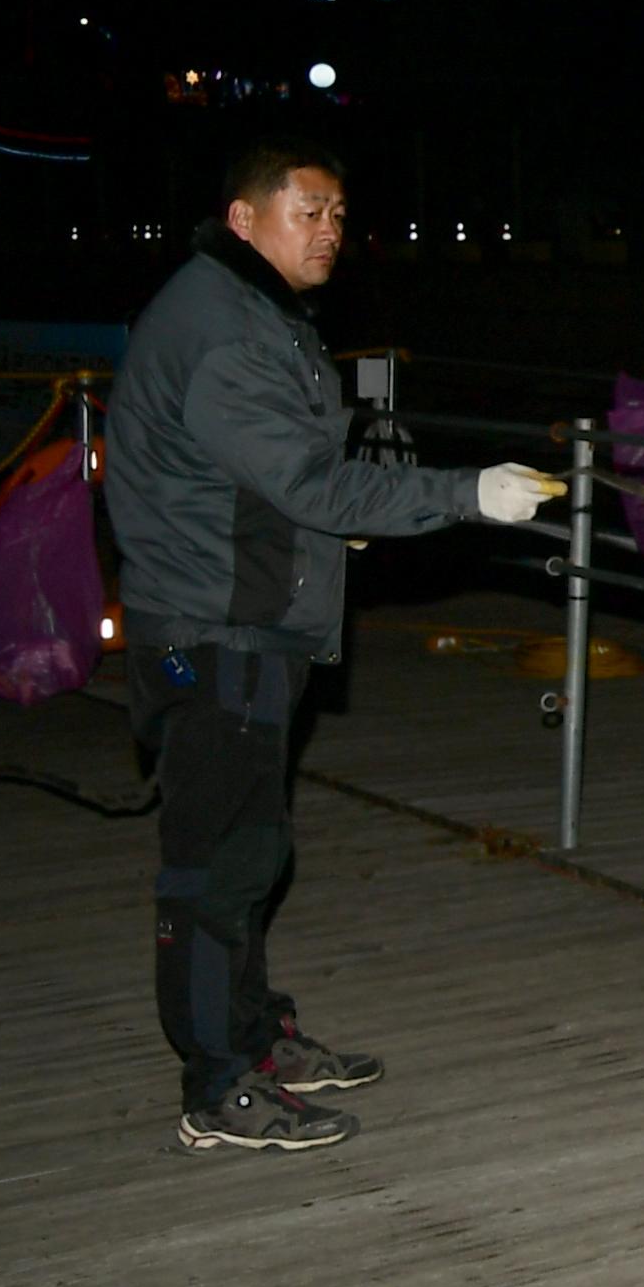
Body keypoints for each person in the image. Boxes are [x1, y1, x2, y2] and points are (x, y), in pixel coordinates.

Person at [106, 136, 557, 1153]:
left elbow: (272, 478)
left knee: (253, 848)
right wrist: (462, 492)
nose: (328, 231)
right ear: (244, 218)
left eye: (339, 215)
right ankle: (218, 1083)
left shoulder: (257, 313)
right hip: (209, 634)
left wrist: (329, 521)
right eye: (306, 210)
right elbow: (308, 480)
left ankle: (253, 1037)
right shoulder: (222, 329)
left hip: (245, 622)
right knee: (215, 865)